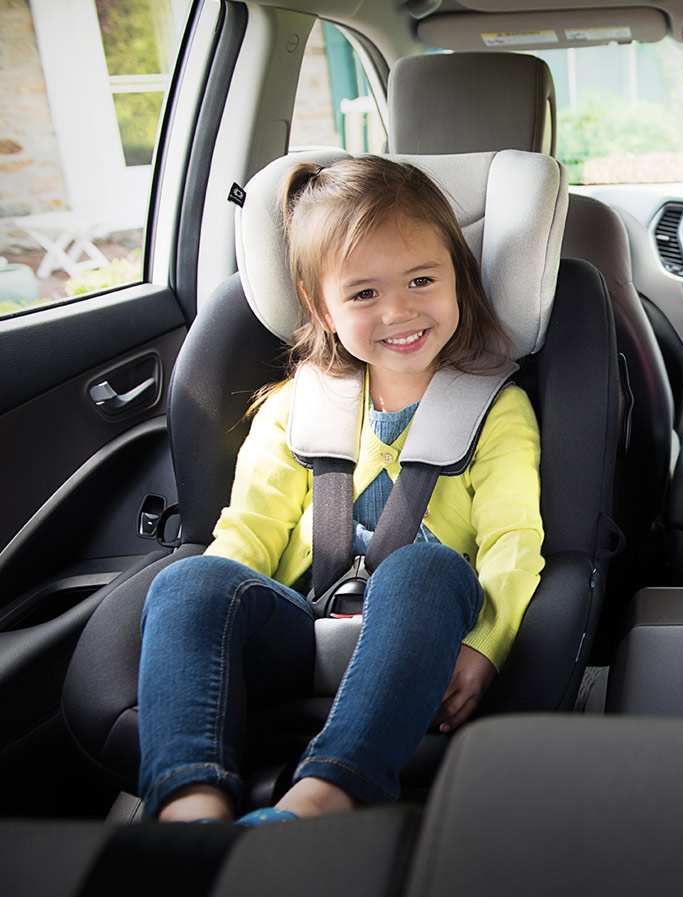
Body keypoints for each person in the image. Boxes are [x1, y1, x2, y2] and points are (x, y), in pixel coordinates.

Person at [136, 156, 544, 824]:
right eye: (363, 294)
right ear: (320, 306)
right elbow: (249, 531)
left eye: (421, 280)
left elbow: (513, 540)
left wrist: (485, 644)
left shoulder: (494, 408)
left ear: (459, 280)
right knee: (188, 581)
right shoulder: (298, 408)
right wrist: (218, 618)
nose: (400, 310)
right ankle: (191, 807)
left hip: (425, 632)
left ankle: (322, 797)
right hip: (303, 625)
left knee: (425, 566)